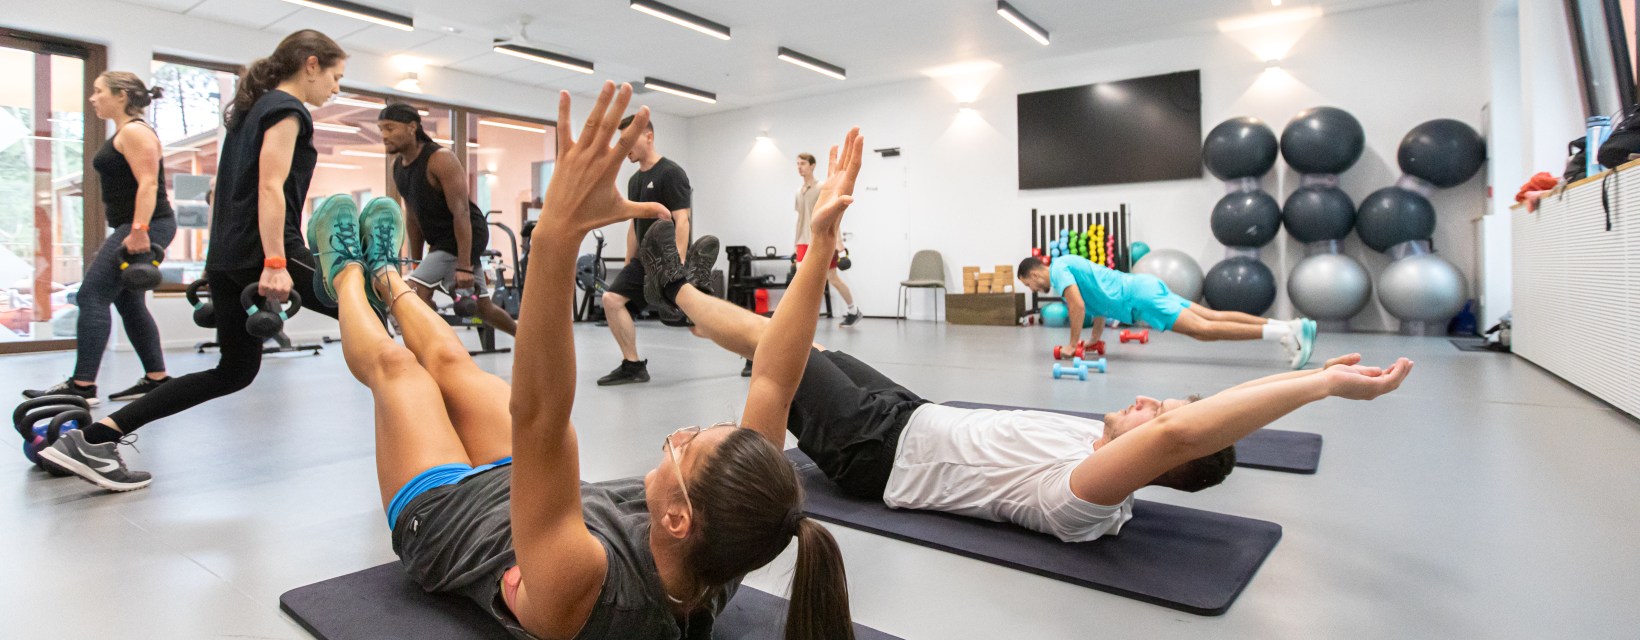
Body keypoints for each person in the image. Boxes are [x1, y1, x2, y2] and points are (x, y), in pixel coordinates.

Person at [317, 83, 857, 639]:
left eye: (687, 448)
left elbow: (540, 417)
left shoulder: (584, 590)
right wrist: (820, 247)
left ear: (678, 518)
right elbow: (774, 379)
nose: (679, 435)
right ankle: (389, 275)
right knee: (453, 360)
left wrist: (558, 230)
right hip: (519, 484)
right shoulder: (727, 539)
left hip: (447, 513)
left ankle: (347, 274)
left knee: (399, 369)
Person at [670, 253, 1413, 544]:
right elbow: (1195, 422)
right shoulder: (1102, 451)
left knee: (783, 343)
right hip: (910, 413)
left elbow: (1182, 435)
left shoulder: (1085, 502)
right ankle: (697, 307)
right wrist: (1303, 375)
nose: (1149, 402)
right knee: (808, 347)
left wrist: (1321, 385)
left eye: (1157, 414)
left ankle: (674, 288)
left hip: (879, 454)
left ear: (1155, 457)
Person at [39, 30, 349, 492]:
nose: (336, 87)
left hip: (230, 255)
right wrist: (275, 261)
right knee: (371, 312)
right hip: (266, 251)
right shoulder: (287, 110)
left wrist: (214, 265)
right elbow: (269, 188)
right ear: (310, 65)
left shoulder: (249, 111)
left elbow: (223, 193)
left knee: (234, 371)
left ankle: (95, 438)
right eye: (335, 76)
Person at [23, 72, 177, 405]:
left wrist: (139, 230)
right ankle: (157, 379)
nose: (92, 98)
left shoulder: (135, 131)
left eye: (98, 91)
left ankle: (82, 386)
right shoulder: (125, 132)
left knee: (91, 295)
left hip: (148, 224)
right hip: (137, 224)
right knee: (128, 302)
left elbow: (149, 183)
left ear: (121, 95)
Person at [1018, 254, 1319, 369]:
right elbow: (1097, 309)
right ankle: (1288, 325)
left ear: (1034, 273)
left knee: (1203, 331)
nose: (1033, 288)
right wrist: (1094, 340)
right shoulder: (1066, 266)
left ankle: (1287, 333)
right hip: (1144, 286)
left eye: (1028, 283)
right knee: (1211, 316)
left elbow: (1078, 307)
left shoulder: (1059, 272)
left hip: (1140, 298)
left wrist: (1072, 345)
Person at [376, 103, 516, 335]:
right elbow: (413, 217)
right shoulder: (397, 167)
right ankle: (527, 341)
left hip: (464, 234)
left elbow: (461, 213)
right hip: (441, 241)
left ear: (412, 127)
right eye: (381, 129)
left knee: (411, 292)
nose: (384, 135)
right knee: (483, 308)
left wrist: (464, 266)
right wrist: (416, 261)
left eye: (390, 128)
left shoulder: (440, 159)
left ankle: (434, 348)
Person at [596, 115, 695, 386]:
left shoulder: (670, 173)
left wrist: (677, 264)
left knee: (698, 324)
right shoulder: (634, 181)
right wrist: (629, 263)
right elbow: (634, 225)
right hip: (644, 262)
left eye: (628, 139)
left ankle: (753, 348)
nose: (623, 146)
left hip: (669, 261)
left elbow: (682, 220)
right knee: (612, 300)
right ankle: (633, 365)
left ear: (648, 137)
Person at [794, 152, 861, 327]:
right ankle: (801, 320)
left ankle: (853, 310)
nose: (799, 167)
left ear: (812, 165)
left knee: (832, 278)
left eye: (803, 163)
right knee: (801, 278)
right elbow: (800, 219)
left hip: (821, 240)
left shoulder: (821, 188)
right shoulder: (799, 192)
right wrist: (795, 244)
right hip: (803, 241)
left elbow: (833, 217)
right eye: (798, 164)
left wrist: (840, 247)